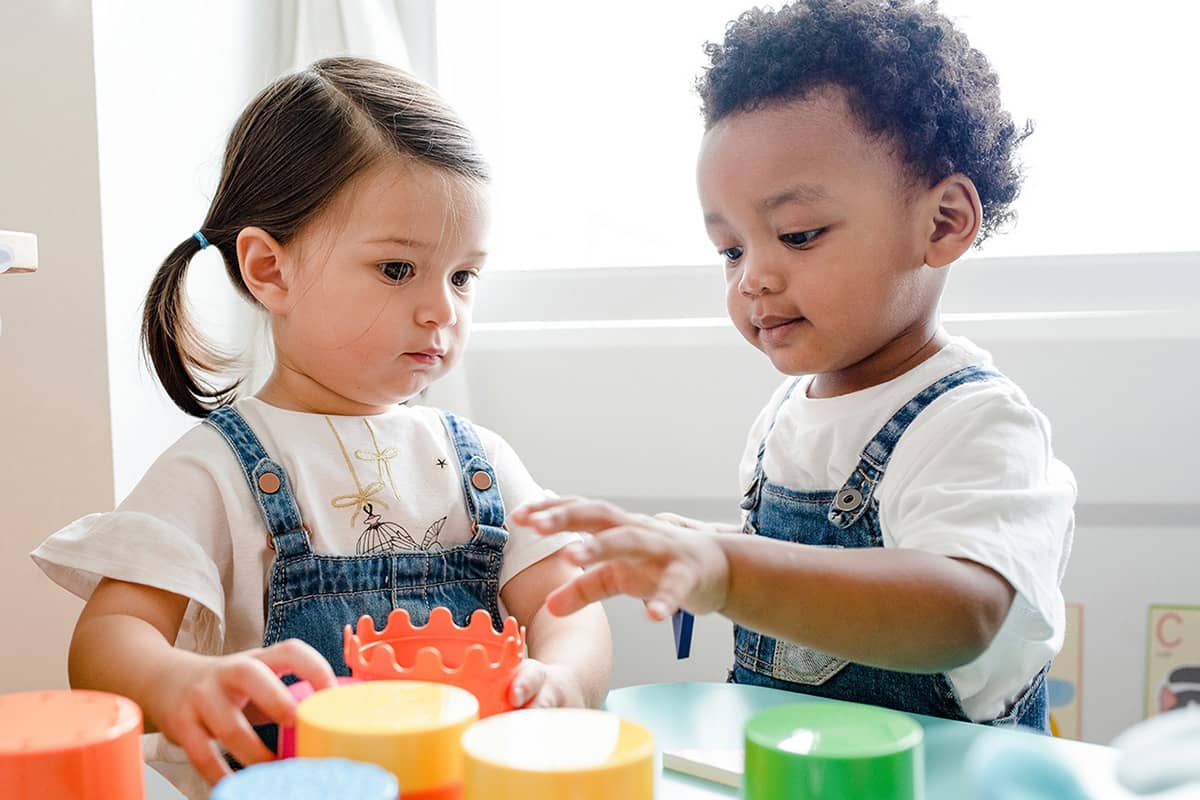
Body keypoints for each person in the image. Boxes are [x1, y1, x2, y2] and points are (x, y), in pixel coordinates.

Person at [31, 57, 611, 797]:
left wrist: (563, 680)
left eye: (463, 276)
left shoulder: (478, 461)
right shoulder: (218, 467)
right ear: (271, 271)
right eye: (399, 269)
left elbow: (568, 606)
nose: (443, 310)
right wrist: (183, 684)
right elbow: (108, 643)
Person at [515, 0, 1074, 731]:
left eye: (798, 234)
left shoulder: (975, 422)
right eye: (731, 249)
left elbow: (961, 610)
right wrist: (709, 551)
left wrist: (730, 569)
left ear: (942, 223)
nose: (752, 278)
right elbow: (810, 574)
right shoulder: (787, 413)